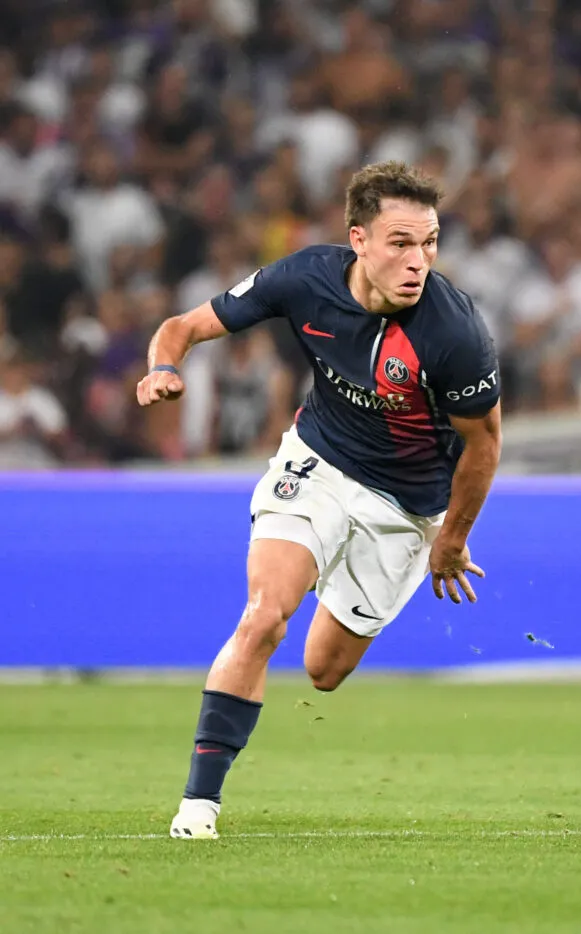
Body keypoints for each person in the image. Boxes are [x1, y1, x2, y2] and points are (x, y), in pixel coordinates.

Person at [137, 161, 503, 840]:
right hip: (319, 462)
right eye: (400, 242)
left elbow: (484, 445)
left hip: (405, 509)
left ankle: (336, 565)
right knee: (263, 618)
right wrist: (163, 368)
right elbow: (181, 327)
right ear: (358, 239)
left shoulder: (454, 332)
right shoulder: (305, 277)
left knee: (323, 670)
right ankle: (199, 806)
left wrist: (450, 537)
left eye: (429, 242)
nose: (418, 260)